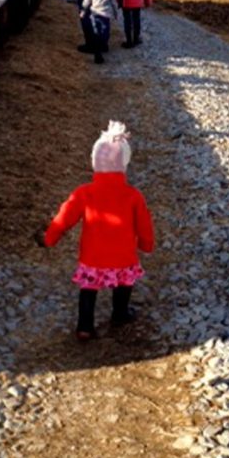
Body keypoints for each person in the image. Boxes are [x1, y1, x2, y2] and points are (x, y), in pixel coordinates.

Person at [41, 121, 154, 341]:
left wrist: (50, 237)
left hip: (92, 256)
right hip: (123, 256)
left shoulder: (84, 193)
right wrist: (146, 245)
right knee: (124, 284)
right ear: (124, 163)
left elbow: (64, 219)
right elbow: (144, 224)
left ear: (94, 162)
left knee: (88, 290)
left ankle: (85, 326)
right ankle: (119, 313)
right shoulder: (133, 196)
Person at [80, 0, 118, 64]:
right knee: (105, 31)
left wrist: (83, 11)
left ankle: (97, 50)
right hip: (105, 15)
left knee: (95, 32)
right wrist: (115, 13)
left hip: (94, 14)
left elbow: (86, 1)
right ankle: (103, 45)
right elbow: (114, 3)